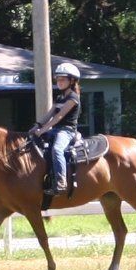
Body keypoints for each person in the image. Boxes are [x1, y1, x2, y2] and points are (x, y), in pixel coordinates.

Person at [31, 63, 84, 196]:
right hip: (55, 130)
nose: (59, 82)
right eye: (57, 79)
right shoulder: (60, 97)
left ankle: (61, 182)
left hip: (67, 131)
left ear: (71, 81)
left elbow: (59, 117)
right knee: (34, 143)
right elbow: (50, 114)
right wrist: (37, 126)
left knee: (57, 149)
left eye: (62, 79)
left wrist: (43, 130)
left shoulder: (73, 98)